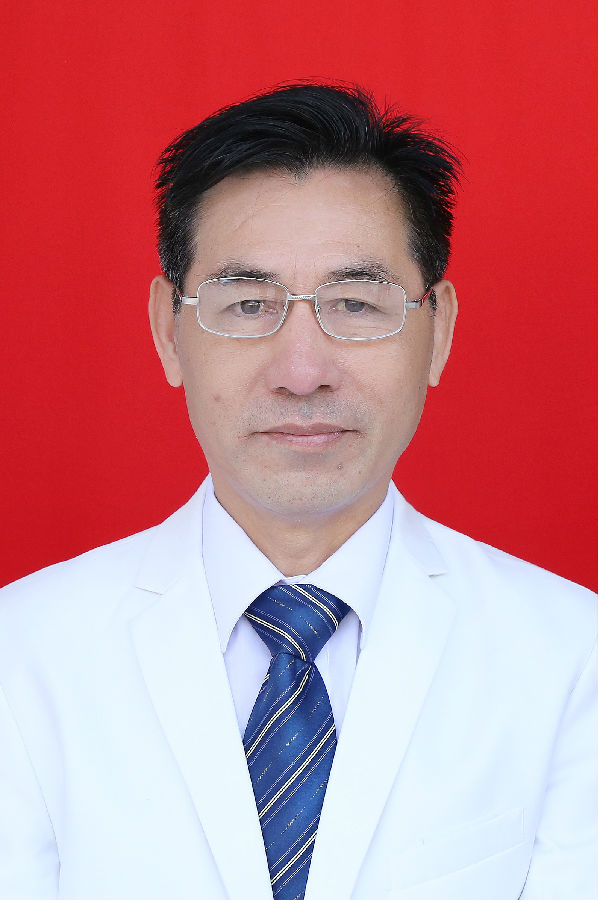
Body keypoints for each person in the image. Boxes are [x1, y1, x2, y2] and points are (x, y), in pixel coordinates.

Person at [0, 84, 595, 900]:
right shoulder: (22, 653)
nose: (303, 371)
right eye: (249, 304)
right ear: (169, 331)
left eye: (356, 303)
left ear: (439, 331)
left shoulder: (573, 658)